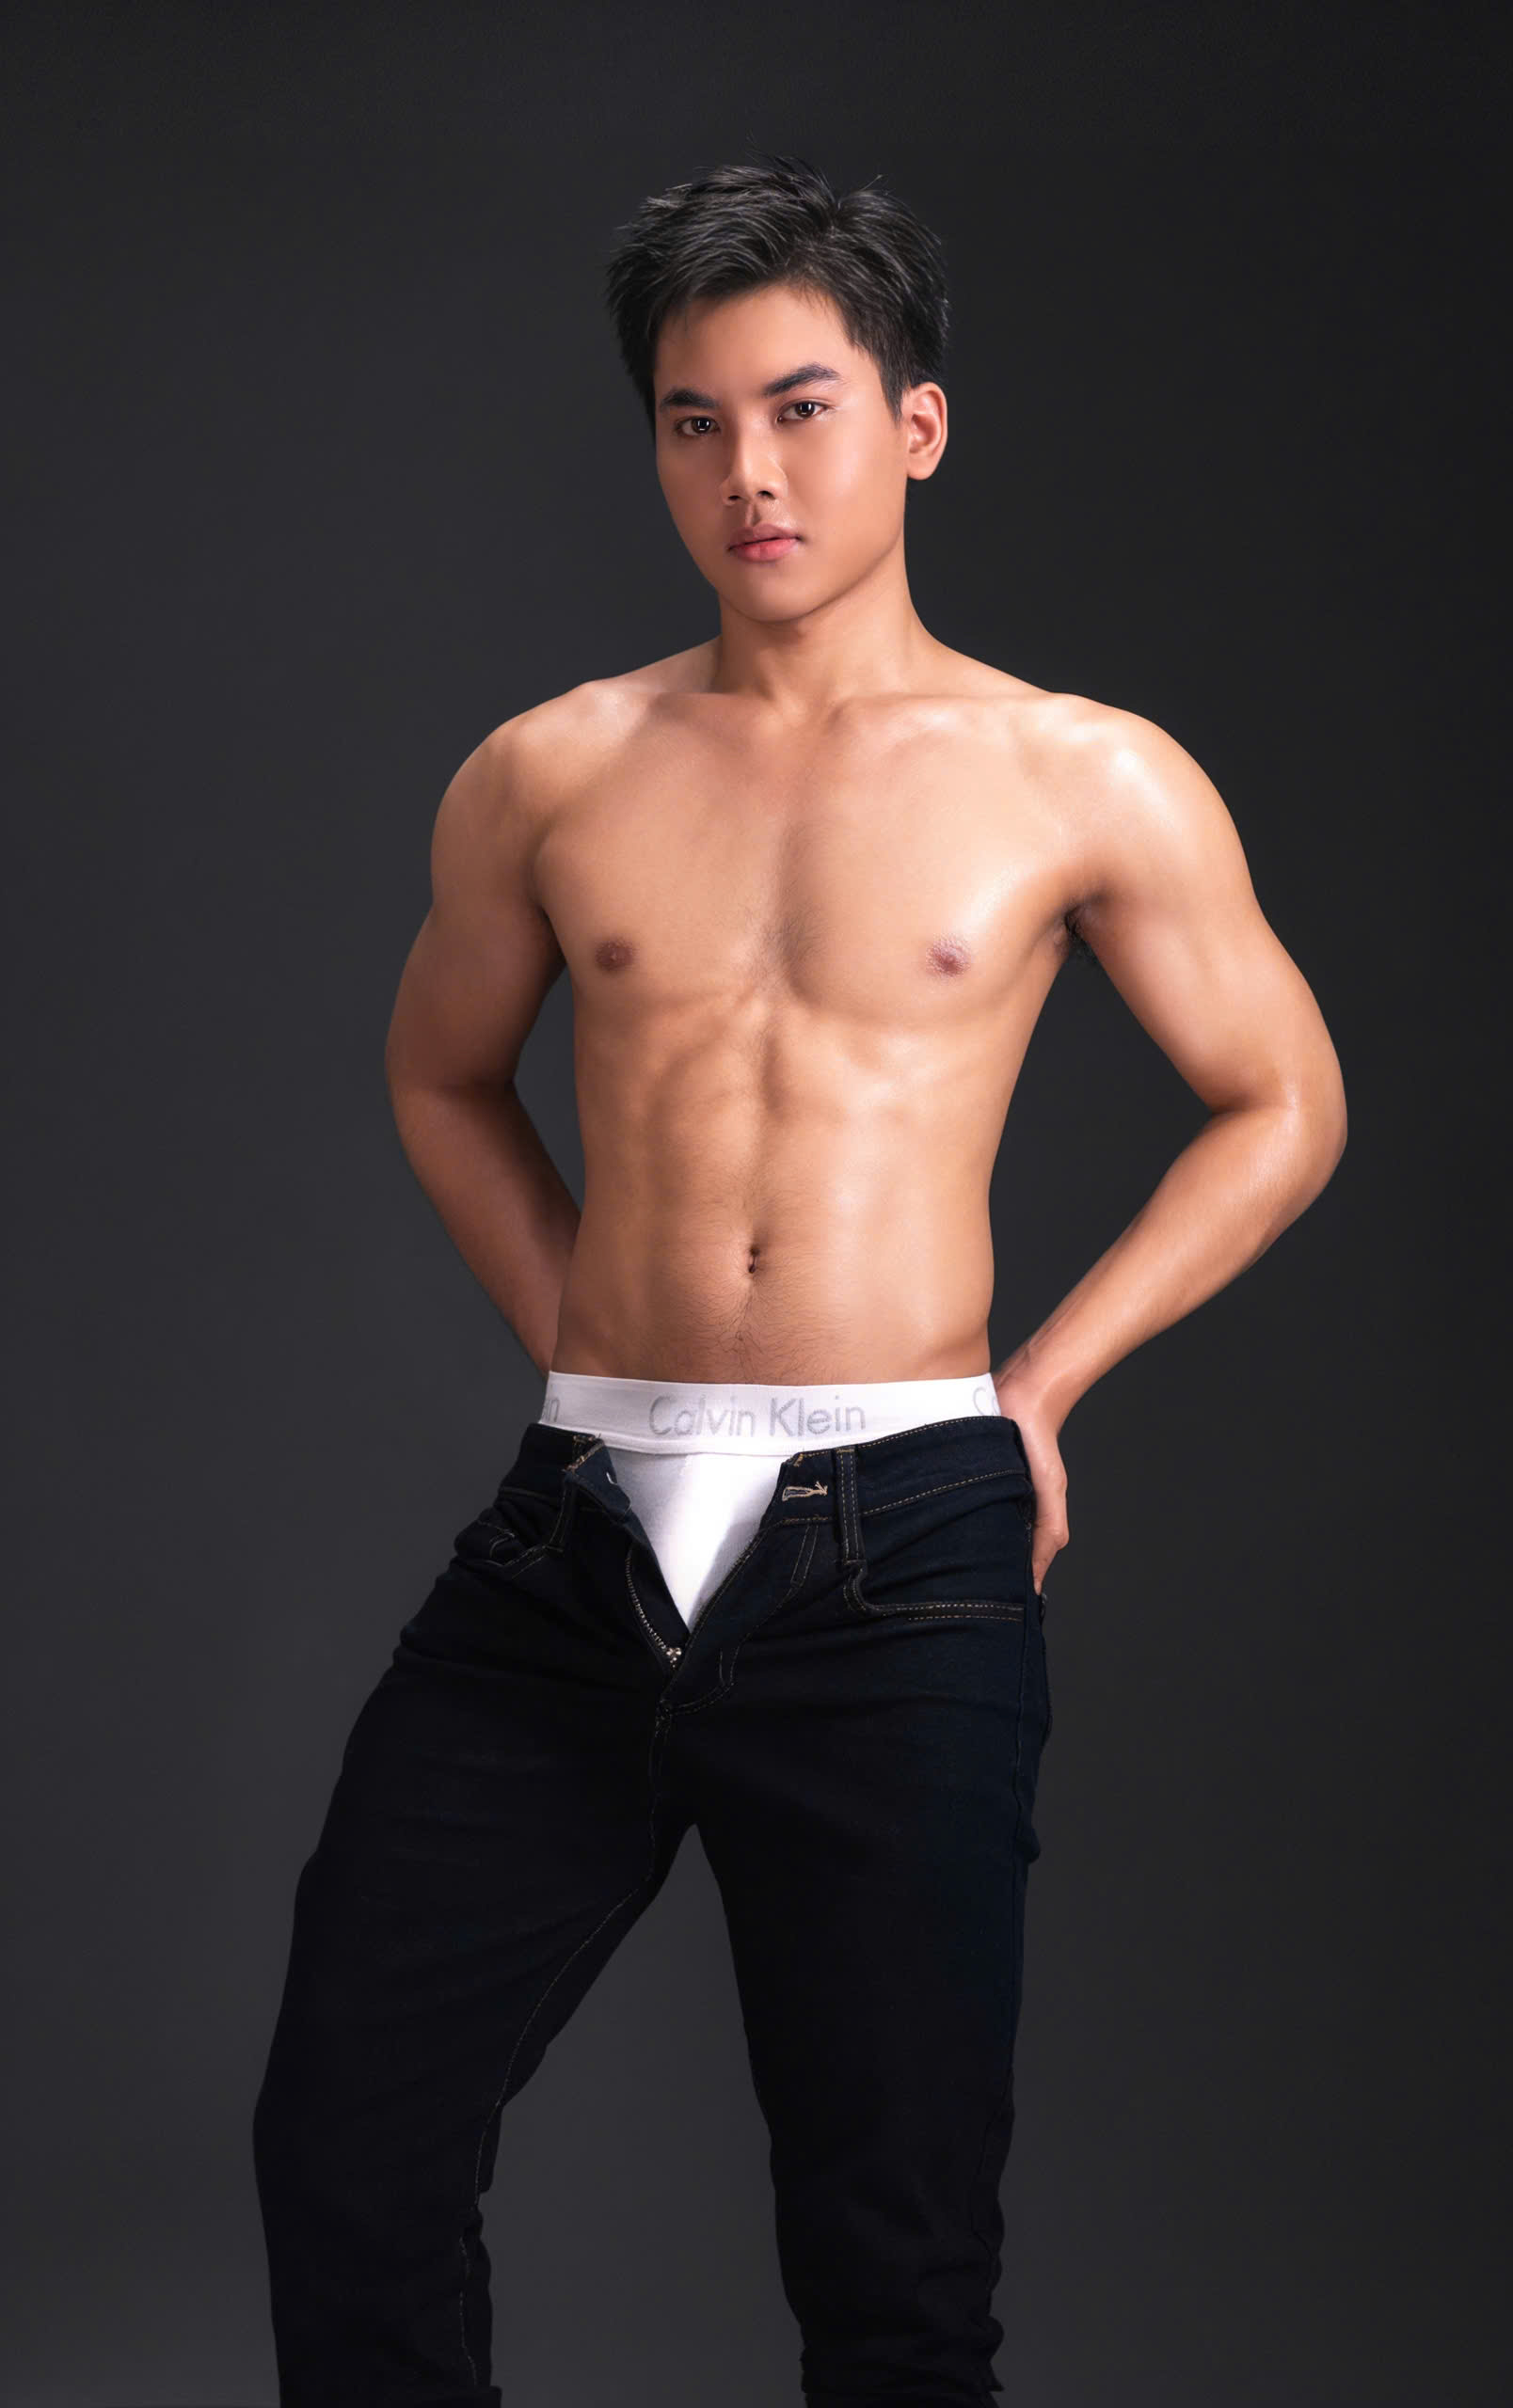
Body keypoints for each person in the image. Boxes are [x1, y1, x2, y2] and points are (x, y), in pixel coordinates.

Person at [251, 152, 1346, 2406]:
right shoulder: (549, 769)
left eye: (799, 408)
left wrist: (1041, 1387)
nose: (746, 472)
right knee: (347, 2143)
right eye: (693, 421)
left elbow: (1283, 1100)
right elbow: (440, 1073)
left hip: (902, 1547)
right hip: (575, 1545)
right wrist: (581, 1335)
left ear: (915, 426)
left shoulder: (1080, 772)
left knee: (894, 2257)